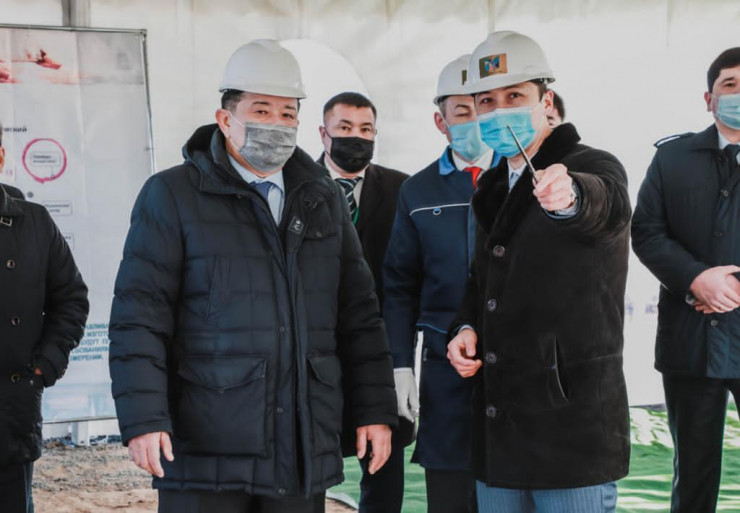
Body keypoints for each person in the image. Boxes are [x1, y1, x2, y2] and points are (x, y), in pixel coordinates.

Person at [108, 40, 397, 513]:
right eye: (261, 110)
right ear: (225, 120)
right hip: (206, 445)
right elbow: (139, 317)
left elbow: (359, 314)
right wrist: (144, 418)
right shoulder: (172, 195)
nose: (276, 125)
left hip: (301, 441)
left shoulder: (321, 197)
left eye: (287, 114)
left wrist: (375, 409)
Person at [446, 31, 631, 512]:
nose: (499, 110)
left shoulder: (592, 165)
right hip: (501, 421)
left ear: (546, 103)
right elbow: (483, 280)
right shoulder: (491, 185)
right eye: (487, 101)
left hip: (570, 424)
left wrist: (570, 197)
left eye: (514, 96)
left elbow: (604, 206)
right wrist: (465, 327)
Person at [384, 54, 496, 513]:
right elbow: (399, 284)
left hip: (513, 358)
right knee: (449, 487)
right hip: (442, 362)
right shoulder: (418, 191)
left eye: (482, 107)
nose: (474, 121)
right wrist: (399, 364)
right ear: (440, 121)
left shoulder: (523, 180)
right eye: (461, 112)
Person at [632, 47, 740, 513]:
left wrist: (730, 288)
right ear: (709, 98)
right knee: (693, 472)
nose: (738, 94)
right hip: (690, 339)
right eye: (730, 85)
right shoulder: (673, 158)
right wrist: (695, 279)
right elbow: (646, 231)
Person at [316, 92, 412, 513]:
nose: (356, 137)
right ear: (323, 134)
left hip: (381, 343)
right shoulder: (298, 184)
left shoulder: (402, 188)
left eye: (365, 129)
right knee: (311, 455)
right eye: (345, 128)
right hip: (317, 344)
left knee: (383, 457)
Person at [0, 121, 89, 513]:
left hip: (11, 409)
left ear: (1, 157)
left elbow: (71, 298)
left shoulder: (33, 222)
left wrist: (45, 366)